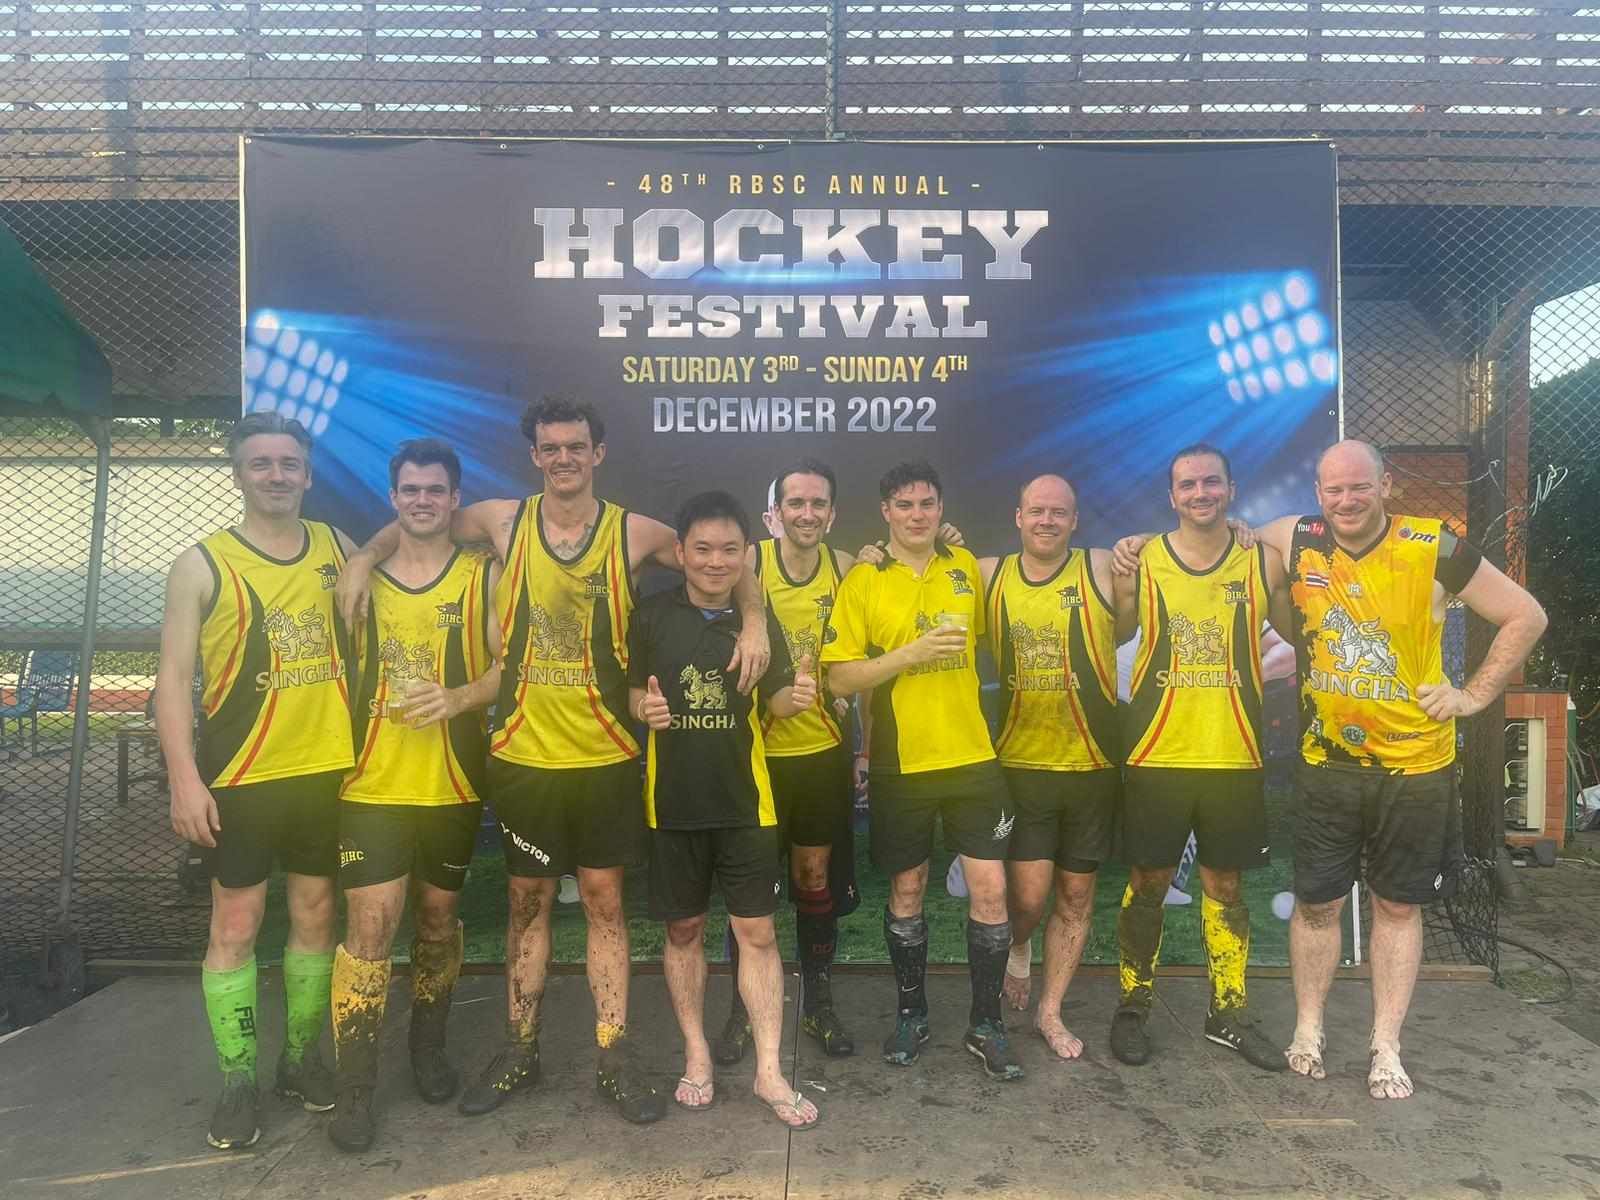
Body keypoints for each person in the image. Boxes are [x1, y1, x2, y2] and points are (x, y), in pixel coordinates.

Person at [336, 396, 769, 1124]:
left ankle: (613, 1054)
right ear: (534, 456)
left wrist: (754, 619)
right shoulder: (503, 521)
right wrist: (362, 559)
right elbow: (419, 519)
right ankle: (521, 1050)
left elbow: (721, 556)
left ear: (599, 453)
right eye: (549, 448)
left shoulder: (633, 533)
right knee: (525, 905)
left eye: (576, 446)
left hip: (603, 757)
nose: (563, 458)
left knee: (605, 906)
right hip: (524, 757)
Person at [1229, 439, 1547, 1099]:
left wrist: (1474, 696)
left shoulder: (1435, 546)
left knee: (1396, 906)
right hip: (1328, 763)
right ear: (1318, 494)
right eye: (1333, 489)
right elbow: (1239, 535)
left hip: (1416, 767)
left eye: (1359, 487)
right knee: (1316, 904)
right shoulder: (1298, 536)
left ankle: (1385, 1045)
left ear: (1387, 486)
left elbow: (1526, 614)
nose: (1346, 500)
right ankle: (1309, 1030)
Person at [155, 412, 356, 1149]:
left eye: (289, 463)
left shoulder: (337, 546)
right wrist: (184, 778)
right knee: (235, 926)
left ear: (307, 472)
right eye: (261, 463)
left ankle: (300, 1060)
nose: (276, 474)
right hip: (239, 778)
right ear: (238, 472)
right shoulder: (202, 563)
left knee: (313, 919)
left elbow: (399, 564)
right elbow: (172, 682)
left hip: (324, 771)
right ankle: (238, 1078)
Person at [325, 440, 502, 1151]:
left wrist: (458, 696)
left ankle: (427, 1051)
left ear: (454, 498)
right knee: (370, 930)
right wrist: (361, 561)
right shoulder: (355, 579)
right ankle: (355, 1089)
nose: (423, 499)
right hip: (370, 783)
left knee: (437, 924)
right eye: (410, 489)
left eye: (435, 489)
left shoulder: (481, 576)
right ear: (392, 498)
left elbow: (510, 667)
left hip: (454, 783)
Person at [823, 460, 1023, 1081]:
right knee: (907, 891)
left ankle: (985, 1024)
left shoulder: (965, 566)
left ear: (941, 509)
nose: (917, 515)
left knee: (990, 892)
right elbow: (839, 676)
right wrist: (909, 654)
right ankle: (913, 1014)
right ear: (885, 511)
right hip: (901, 767)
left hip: (973, 759)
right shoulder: (863, 579)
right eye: (904, 505)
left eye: (927, 504)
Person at [627, 490, 821, 1129]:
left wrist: (800, 693)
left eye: (730, 550)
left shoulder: (760, 625)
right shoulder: (650, 616)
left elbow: (778, 705)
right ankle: (697, 1055)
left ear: (746, 555)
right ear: (679, 552)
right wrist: (644, 710)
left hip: (746, 807)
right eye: (703, 549)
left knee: (757, 934)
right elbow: (630, 695)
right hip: (672, 807)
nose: (716, 562)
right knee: (683, 933)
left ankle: (769, 1070)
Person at [1107, 444, 1289, 1072]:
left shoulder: (1261, 560)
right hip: (1157, 750)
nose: (1200, 493)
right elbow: (1112, 635)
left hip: (1234, 751)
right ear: (1171, 495)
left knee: (1225, 885)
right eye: (1188, 484)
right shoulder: (1140, 561)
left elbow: (1296, 631)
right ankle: (1133, 1003)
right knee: (1148, 883)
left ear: (1231, 489)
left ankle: (1228, 1012)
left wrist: (1260, 537)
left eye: (1212, 482)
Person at [714, 458, 864, 1064]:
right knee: (749, 891)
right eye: (794, 503)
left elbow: (863, 663)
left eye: (818, 503)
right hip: (753, 756)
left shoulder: (850, 569)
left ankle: (819, 1002)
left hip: (822, 755)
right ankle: (741, 1012)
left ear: (832, 513)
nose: (807, 513)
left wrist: (866, 748)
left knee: (813, 881)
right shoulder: (747, 565)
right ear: (772, 513)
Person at [969, 474, 1120, 1061]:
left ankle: (1050, 1012)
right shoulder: (990, 574)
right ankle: (1018, 947)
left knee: (1078, 895)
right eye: (1037, 511)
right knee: (1028, 899)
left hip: (1091, 764)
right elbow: (925, 564)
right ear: (1018, 516)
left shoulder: (1104, 567)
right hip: (1020, 762)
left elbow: (1184, 551)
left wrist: (1233, 527)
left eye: (1059, 513)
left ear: (1075, 520)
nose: (1048, 521)